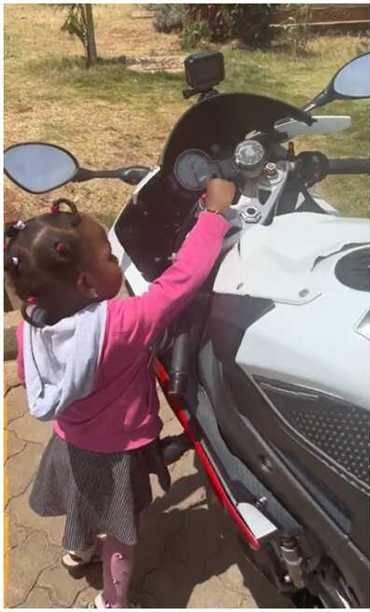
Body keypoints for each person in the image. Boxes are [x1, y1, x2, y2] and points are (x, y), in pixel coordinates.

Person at [7, 178, 235, 607]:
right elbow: (179, 283)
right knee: (122, 534)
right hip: (118, 455)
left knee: (82, 502)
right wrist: (214, 215)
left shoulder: (32, 328)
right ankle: (112, 601)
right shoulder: (124, 323)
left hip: (69, 444)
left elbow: (26, 373)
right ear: (86, 284)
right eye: (111, 258)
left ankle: (79, 550)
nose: (117, 263)